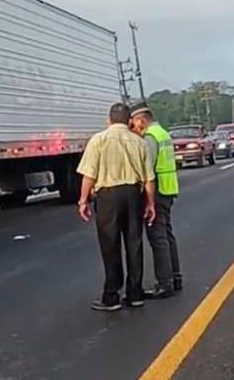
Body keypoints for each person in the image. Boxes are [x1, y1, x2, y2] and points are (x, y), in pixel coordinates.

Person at [77, 103, 156, 312]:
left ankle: (111, 295)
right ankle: (135, 293)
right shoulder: (139, 142)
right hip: (133, 194)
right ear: (129, 120)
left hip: (108, 197)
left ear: (109, 120)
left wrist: (83, 200)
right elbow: (149, 178)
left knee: (110, 244)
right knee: (134, 243)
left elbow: (89, 175)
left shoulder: (98, 140)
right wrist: (150, 203)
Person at [130, 103, 182, 299]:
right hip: (168, 188)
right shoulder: (163, 133)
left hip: (158, 190)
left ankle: (164, 283)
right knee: (167, 235)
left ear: (141, 120)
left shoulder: (151, 137)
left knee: (158, 238)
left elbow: (146, 167)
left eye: (135, 122)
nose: (135, 127)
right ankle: (175, 277)